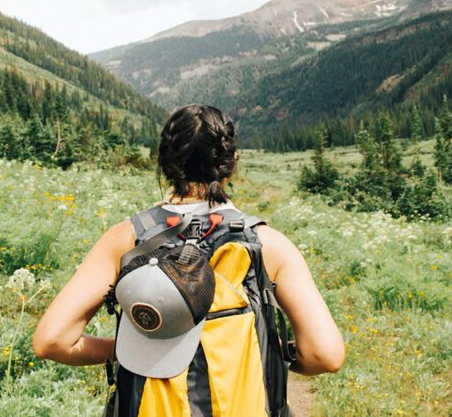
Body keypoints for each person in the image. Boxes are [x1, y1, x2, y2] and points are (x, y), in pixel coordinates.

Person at [33, 104, 344, 414]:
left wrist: (122, 350)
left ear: (165, 163)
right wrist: (271, 352)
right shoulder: (268, 245)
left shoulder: (125, 240)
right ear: (231, 164)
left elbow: (52, 341)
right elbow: (325, 355)